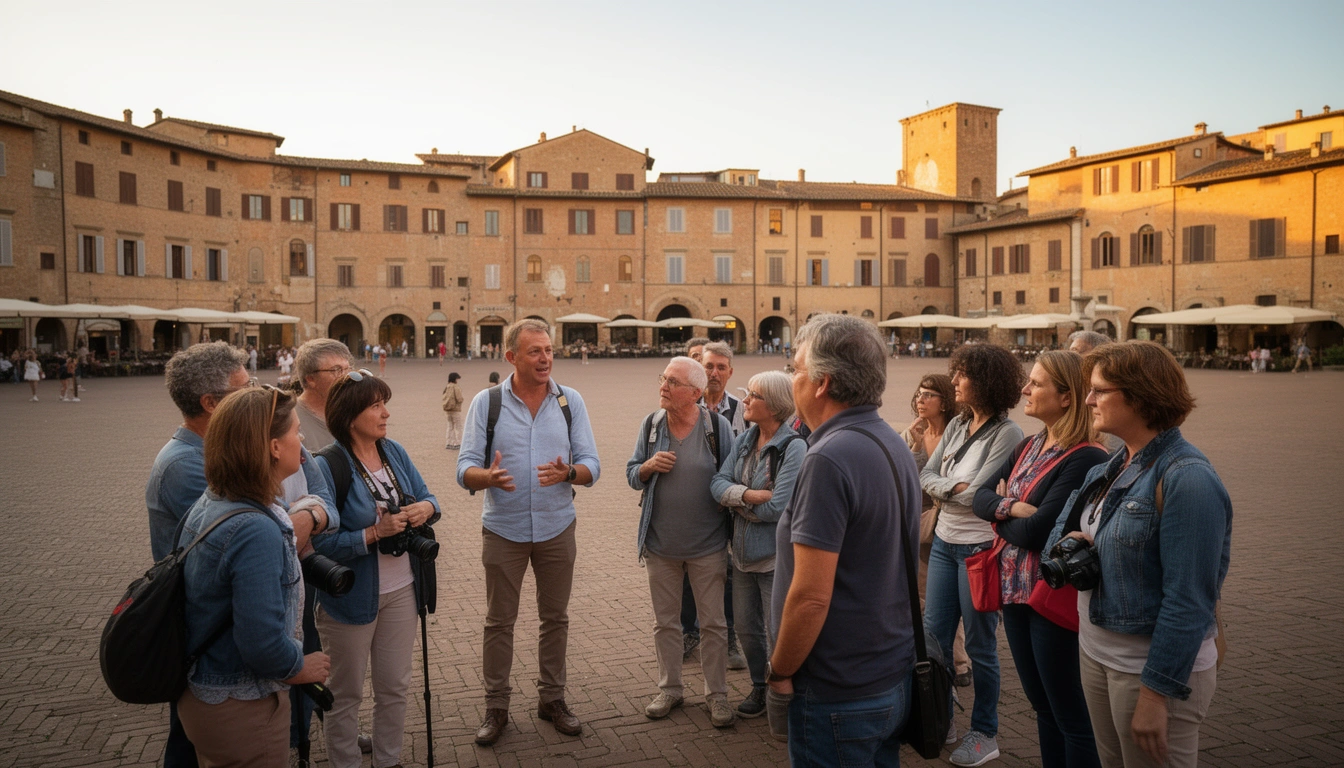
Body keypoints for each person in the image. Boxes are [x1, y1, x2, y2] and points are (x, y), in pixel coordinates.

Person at [148, 341, 334, 767]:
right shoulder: (252, 523)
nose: (302, 443)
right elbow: (260, 641)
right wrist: (301, 666)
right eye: (293, 434)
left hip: (215, 676)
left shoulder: (221, 494)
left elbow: (320, 490)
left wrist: (297, 516)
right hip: (234, 685)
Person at [1046, 341, 1232, 768]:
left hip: (1147, 672)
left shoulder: (1188, 479)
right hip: (1097, 653)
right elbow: (1056, 535)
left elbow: (1189, 600)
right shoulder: (1110, 466)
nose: (1087, 399)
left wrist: (1155, 693)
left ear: (1141, 394)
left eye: (1099, 390)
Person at [767, 314, 921, 765]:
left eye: (796, 369)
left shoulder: (829, 458)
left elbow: (810, 597)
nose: (791, 378)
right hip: (889, 671)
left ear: (821, 382)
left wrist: (779, 670)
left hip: (838, 687)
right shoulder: (888, 440)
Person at [457, 319, 600, 745]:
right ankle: (496, 707)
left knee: (555, 618)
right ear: (511, 357)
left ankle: (551, 699)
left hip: (558, 528)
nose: (545, 358)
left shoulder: (569, 401)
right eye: (535, 351)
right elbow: (464, 469)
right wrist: (488, 477)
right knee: (499, 622)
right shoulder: (487, 403)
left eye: (549, 350)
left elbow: (593, 464)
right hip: (504, 530)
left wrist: (569, 473)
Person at [972, 351, 1109, 768]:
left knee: (1070, 713)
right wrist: (1011, 510)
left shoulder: (1087, 456)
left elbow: (1040, 533)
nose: (1024, 390)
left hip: (1049, 596)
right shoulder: (1030, 444)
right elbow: (980, 497)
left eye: (1036, 383)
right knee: (1042, 707)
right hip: (1016, 593)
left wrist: (1001, 509)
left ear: (1067, 397)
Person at [311, 370, 440, 768]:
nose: (386, 413)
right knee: (345, 694)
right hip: (349, 598)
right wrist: (372, 533)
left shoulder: (393, 451)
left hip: (403, 590)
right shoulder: (326, 465)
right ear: (351, 415)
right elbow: (317, 544)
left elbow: (430, 496)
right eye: (376, 405)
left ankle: (388, 761)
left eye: (385, 403)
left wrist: (426, 508)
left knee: (395, 687)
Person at [921, 343, 1026, 767]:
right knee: (934, 640)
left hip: (981, 550)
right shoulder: (957, 424)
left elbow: (978, 494)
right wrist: (952, 490)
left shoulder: (1008, 433)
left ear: (985, 381)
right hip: (945, 545)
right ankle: (941, 716)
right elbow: (926, 474)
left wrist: (948, 490)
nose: (955, 381)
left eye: (962, 374)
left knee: (981, 646)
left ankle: (985, 731)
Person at [627, 356, 737, 728]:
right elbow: (631, 473)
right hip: (660, 545)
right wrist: (646, 467)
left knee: (713, 624)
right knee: (666, 623)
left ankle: (717, 694)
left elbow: (732, 476)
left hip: (707, 546)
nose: (663, 386)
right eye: (663, 379)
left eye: (672, 382)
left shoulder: (717, 428)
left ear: (694, 393)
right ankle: (670, 689)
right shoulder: (652, 424)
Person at [710, 370, 805, 719]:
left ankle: (785, 691)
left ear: (776, 405)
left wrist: (734, 502)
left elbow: (778, 508)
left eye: (753, 396)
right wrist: (748, 495)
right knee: (747, 630)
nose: (745, 401)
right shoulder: (746, 439)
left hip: (774, 559)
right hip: (742, 555)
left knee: (777, 629)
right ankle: (759, 685)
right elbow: (717, 483)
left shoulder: (794, 447)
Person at [902, 373, 973, 687]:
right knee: (919, 594)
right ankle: (926, 653)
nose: (921, 399)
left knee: (946, 595)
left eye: (929, 394)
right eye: (919, 393)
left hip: (946, 521)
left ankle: (959, 661)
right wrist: (915, 446)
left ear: (945, 402)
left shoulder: (958, 437)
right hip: (916, 523)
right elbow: (906, 479)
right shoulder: (911, 433)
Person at [681, 341, 747, 668]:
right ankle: (688, 631)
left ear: (731, 372)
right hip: (691, 507)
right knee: (685, 571)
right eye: (709, 366)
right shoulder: (683, 406)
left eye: (722, 367)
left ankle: (730, 636)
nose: (715, 373)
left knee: (729, 574)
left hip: (729, 507)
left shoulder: (743, 410)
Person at [293, 339, 355, 451]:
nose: (346, 377)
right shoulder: (288, 419)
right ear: (311, 379)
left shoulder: (353, 411)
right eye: (336, 370)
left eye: (347, 369)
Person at [442, 371, 464, 449]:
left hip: (447, 410)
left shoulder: (447, 387)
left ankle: (449, 442)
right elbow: (459, 398)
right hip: (455, 410)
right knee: (458, 427)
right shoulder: (455, 387)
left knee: (450, 426)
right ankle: (458, 443)